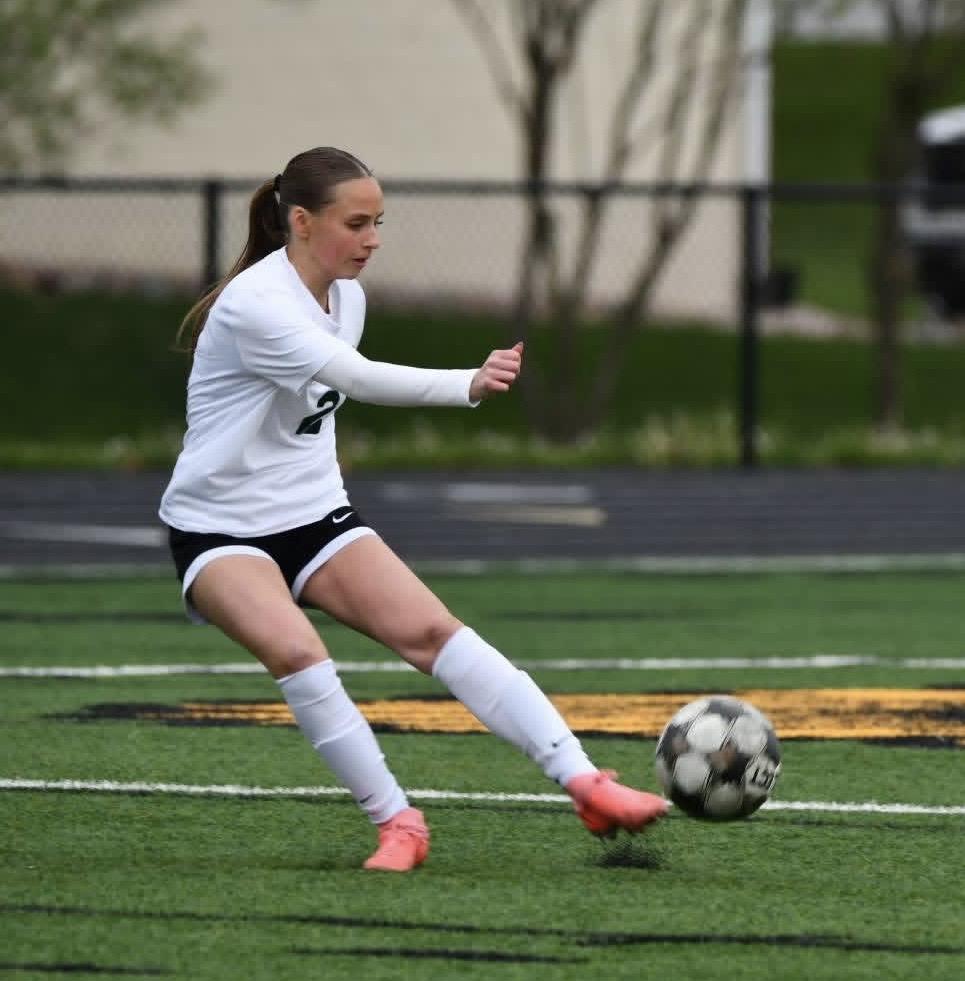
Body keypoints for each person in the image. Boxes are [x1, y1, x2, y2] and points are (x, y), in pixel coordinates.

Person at [159, 146, 667, 872]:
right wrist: (468, 383)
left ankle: (585, 782)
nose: (372, 239)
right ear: (300, 222)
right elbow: (355, 378)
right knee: (299, 651)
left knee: (434, 632)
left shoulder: (347, 297)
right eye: (355, 223)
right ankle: (398, 822)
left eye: (379, 222)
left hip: (313, 513)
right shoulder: (255, 303)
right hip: (219, 526)